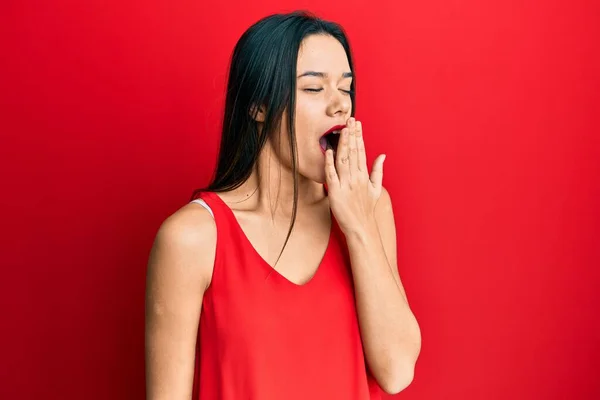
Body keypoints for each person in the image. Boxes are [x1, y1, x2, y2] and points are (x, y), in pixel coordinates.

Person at [145, 11, 421, 400]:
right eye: (313, 89)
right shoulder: (191, 239)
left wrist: (359, 226)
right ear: (258, 105)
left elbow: (396, 371)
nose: (339, 105)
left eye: (346, 89)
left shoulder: (369, 209)